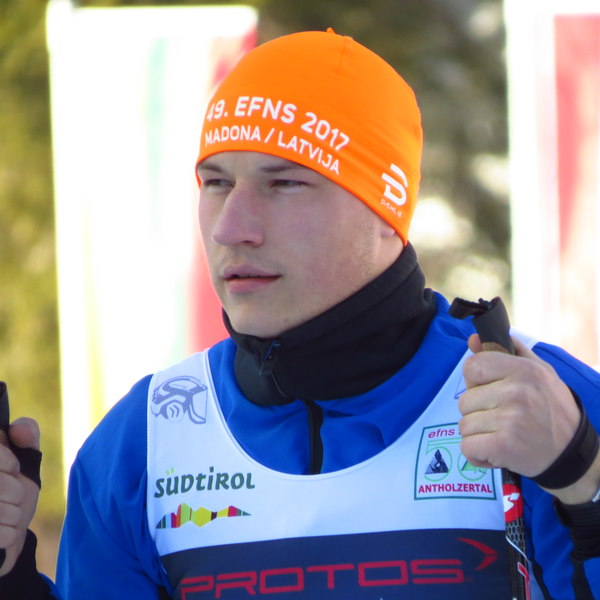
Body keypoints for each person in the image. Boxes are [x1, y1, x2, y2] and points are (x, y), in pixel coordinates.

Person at [1, 29, 599, 600]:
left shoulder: (543, 403)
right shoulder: (144, 442)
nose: (231, 228)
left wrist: (583, 478)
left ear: (384, 206)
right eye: (215, 182)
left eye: (283, 184)